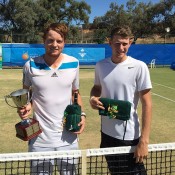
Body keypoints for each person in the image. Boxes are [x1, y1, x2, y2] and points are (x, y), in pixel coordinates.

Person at [17, 23, 86, 175]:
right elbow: (25, 94)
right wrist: (25, 106)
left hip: (69, 137)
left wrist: (82, 114)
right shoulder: (30, 65)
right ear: (44, 41)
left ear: (64, 42)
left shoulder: (74, 63)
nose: (54, 45)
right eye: (50, 40)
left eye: (59, 41)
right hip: (39, 139)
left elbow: (76, 93)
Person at [89, 25, 152, 175]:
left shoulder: (139, 67)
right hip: (106, 135)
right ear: (109, 42)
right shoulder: (100, 65)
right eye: (117, 43)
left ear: (130, 42)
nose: (121, 48)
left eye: (125, 43)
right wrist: (93, 98)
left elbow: (147, 104)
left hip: (129, 138)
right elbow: (97, 88)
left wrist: (144, 140)